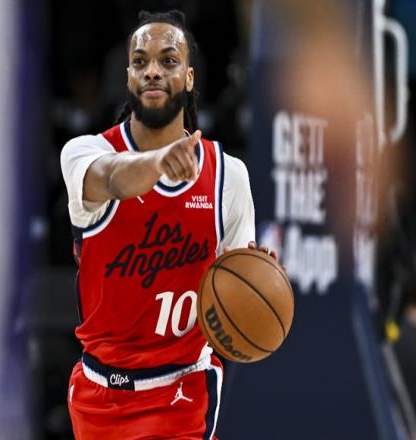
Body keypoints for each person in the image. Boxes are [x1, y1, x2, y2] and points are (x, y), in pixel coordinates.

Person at [60, 10, 275, 439]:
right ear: (128, 77)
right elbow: (112, 179)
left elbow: (233, 294)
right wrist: (158, 162)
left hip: (184, 390)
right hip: (99, 394)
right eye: (140, 62)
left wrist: (257, 285)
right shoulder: (85, 153)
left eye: (169, 60)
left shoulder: (227, 176)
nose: (153, 70)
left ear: (189, 77)